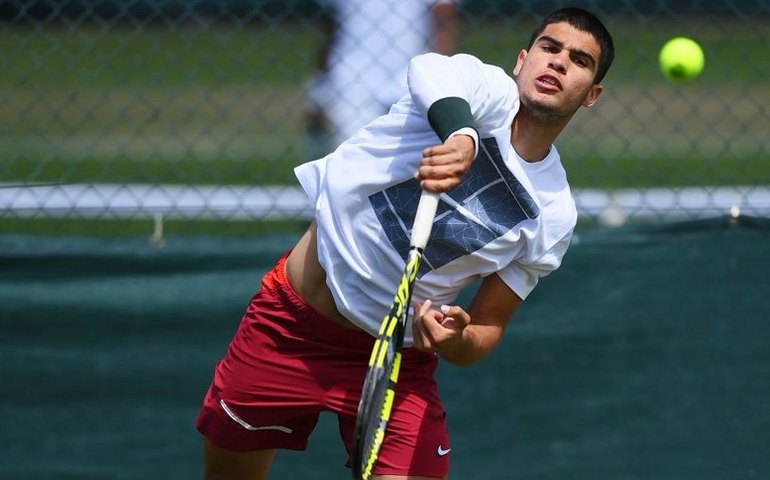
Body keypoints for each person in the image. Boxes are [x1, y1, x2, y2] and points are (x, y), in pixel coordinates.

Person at [197, 7, 615, 479]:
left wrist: (457, 339)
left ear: (592, 95)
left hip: (398, 361)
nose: (558, 63)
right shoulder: (482, 92)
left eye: (579, 60)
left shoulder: (554, 212)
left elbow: (489, 327)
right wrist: (462, 135)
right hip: (288, 326)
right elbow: (428, 67)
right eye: (549, 47)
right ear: (522, 59)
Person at [304, 0, 460, 156]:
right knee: (356, 161)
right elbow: (330, 23)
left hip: (412, 76)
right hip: (352, 77)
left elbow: (443, 17)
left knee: (416, 162)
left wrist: (436, 69)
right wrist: (323, 74)